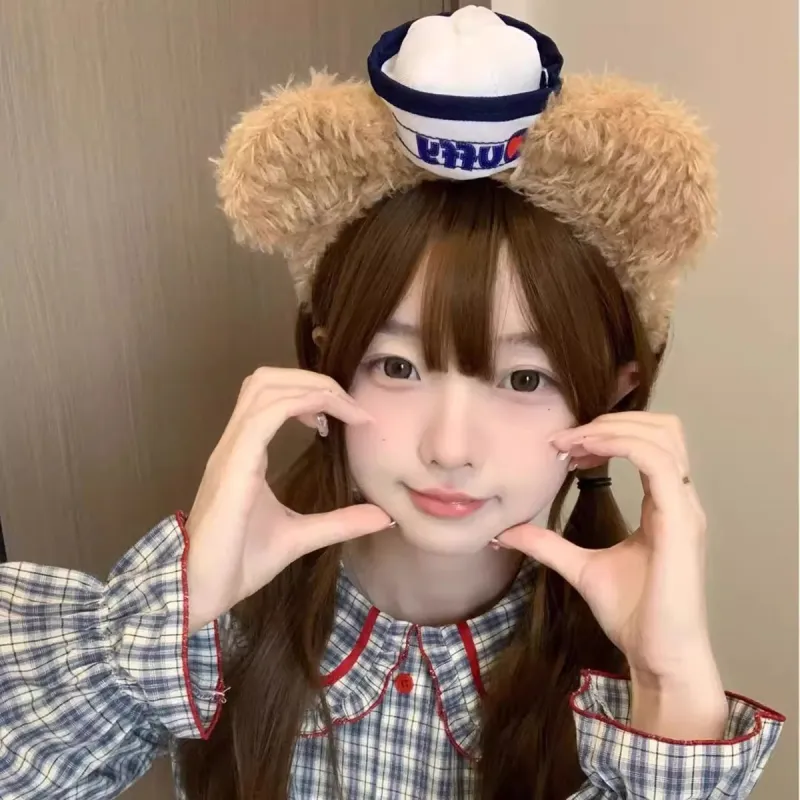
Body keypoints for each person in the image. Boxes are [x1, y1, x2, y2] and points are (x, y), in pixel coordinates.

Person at [0, 7, 785, 800]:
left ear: (612, 399)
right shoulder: (213, 629)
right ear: (326, 364)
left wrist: (668, 679)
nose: (450, 447)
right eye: (399, 366)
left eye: (524, 380)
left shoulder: (619, 699)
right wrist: (180, 605)